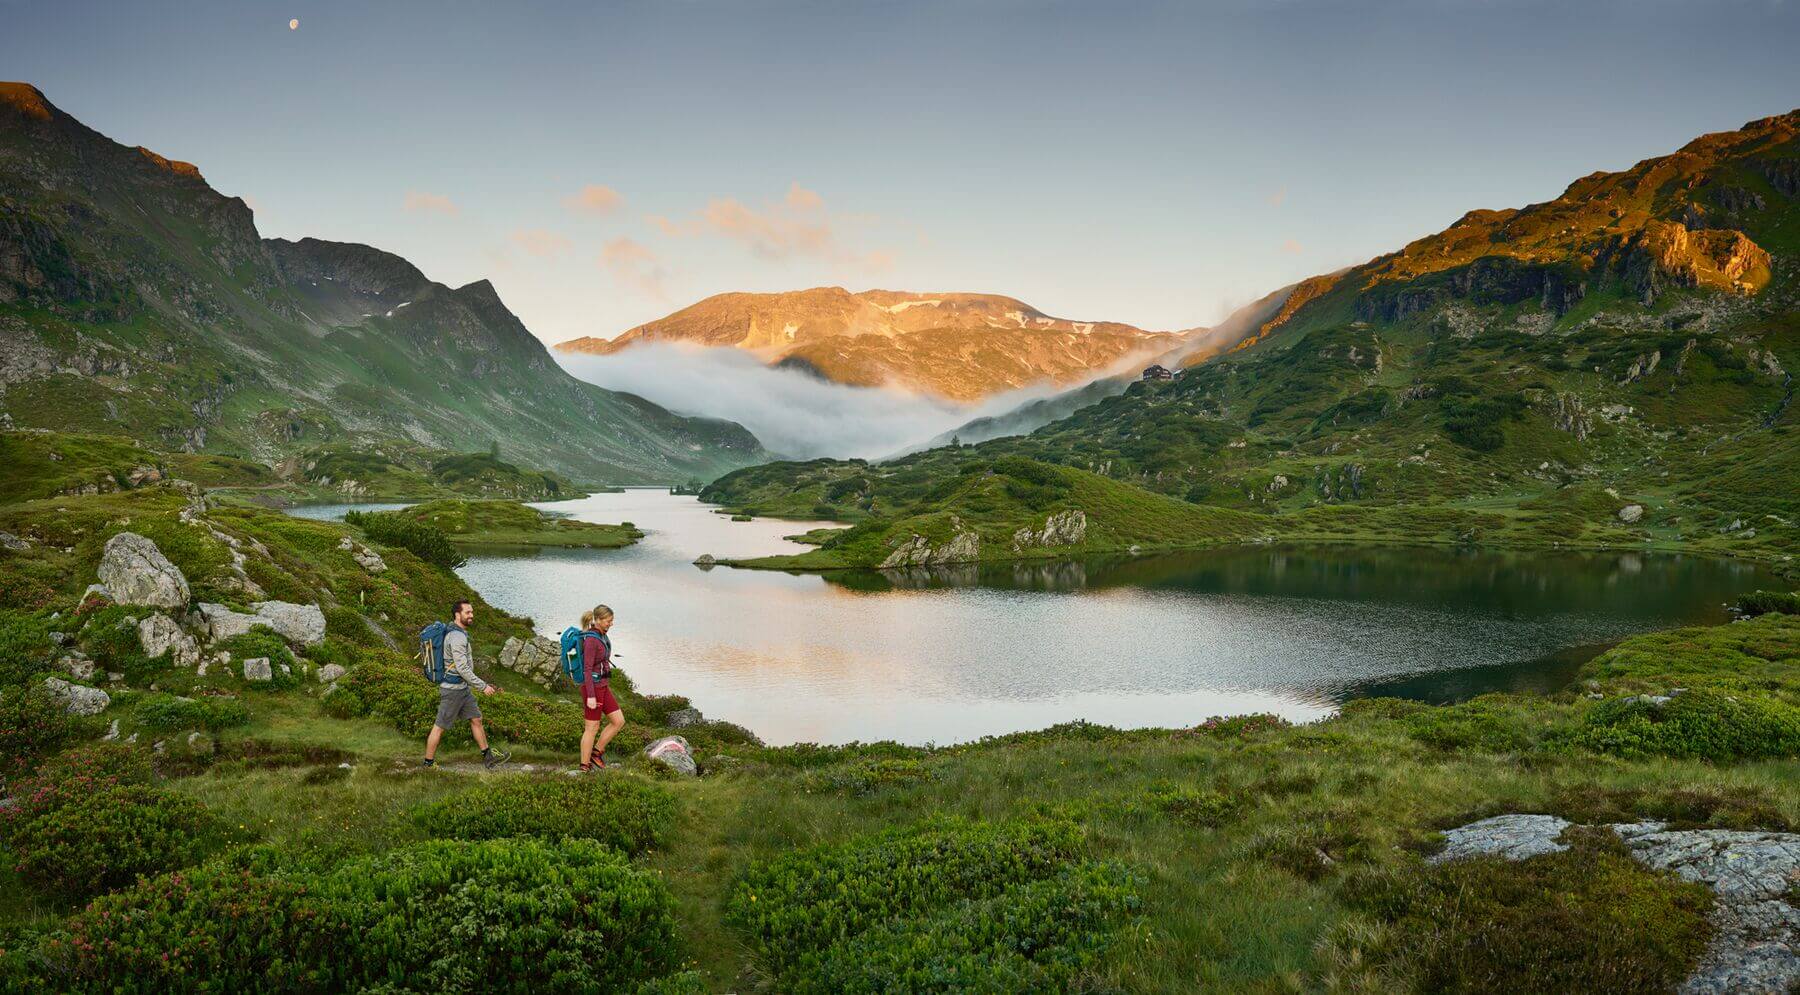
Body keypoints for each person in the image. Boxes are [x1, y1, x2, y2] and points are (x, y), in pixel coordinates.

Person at [423, 599, 511, 769]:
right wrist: (483, 686)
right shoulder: (456, 637)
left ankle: (488, 757)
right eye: (467, 612)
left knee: (476, 719)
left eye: (472, 612)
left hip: (462, 689)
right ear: (458, 615)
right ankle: (428, 764)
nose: (471, 615)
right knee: (439, 726)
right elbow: (462, 668)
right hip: (452, 691)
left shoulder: (458, 633)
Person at [577, 604, 624, 772]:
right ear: (598, 620)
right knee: (591, 727)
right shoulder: (591, 640)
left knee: (618, 721)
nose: (610, 624)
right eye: (608, 621)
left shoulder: (602, 635)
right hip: (593, 689)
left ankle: (596, 753)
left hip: (603, 686)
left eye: (611, 621)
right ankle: (584, 766)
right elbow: (587, 670)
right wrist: (590, 696)